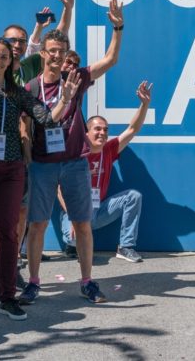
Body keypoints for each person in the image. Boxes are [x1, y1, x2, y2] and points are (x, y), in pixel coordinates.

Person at [21, 0, 125, 306]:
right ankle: (33, 282)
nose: (56, 56)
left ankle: (87, 282)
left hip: (75, 163)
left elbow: (110, 60)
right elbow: (24, 126)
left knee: (82, 223)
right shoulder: (31, 88)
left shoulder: (75, 79)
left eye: (61, 52)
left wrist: (118, 27)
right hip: (42, 164)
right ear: (43, 54)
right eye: (52, 51)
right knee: (37, 224)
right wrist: (28, 159)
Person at [0, 37, 77, 320]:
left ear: (10, 62)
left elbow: (47, 118)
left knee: (8, 232)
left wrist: (65, 99)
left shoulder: (17, 93)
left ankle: (8, 296)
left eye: (4, 57)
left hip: (11, 170)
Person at [60, 82, 154, 263]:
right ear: (86, 133)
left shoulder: (109, 150)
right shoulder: (75, 152)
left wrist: (144, 104)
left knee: (133, 196)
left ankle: (125, 246)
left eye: (105, 129)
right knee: (72, 239)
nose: (102, 133)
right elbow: (58, 187)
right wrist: (72, 215)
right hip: (75, 210)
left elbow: (132, 129)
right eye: (97, 129)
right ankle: (72, 245)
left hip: (99, 210)